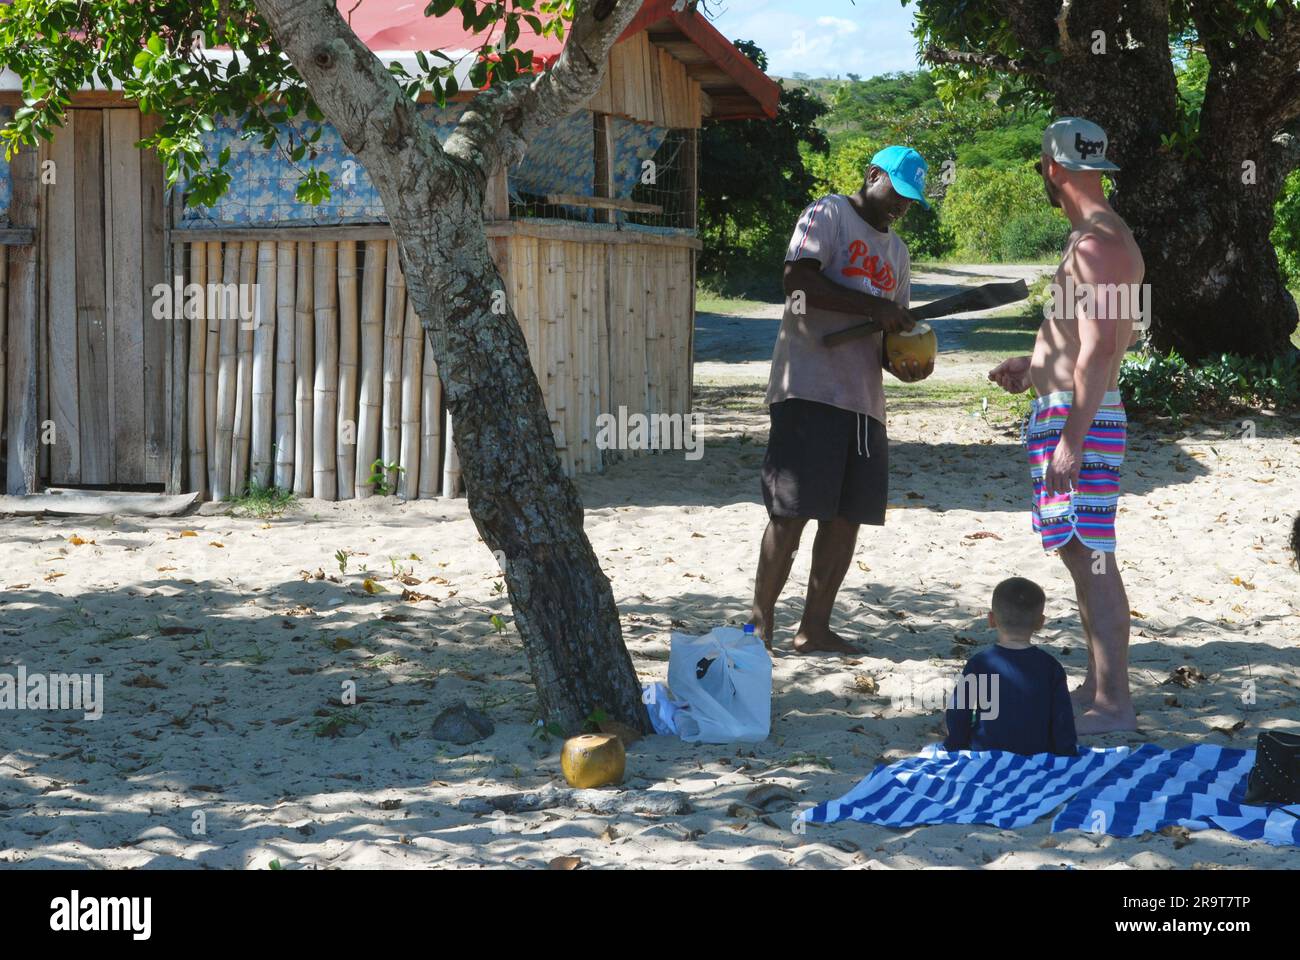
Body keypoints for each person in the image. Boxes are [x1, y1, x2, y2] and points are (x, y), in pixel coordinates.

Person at [988, 118, 1144, 734]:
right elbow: (1082, 340)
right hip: (1070, 409)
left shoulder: (1097, 243)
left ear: (1052, 169)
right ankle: (1100, 688)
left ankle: (1115, 705)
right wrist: (1034, 368)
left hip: (1084, 420)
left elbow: (1103, 349)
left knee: (1094, 560)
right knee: (1083, 558)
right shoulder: (1093, 238)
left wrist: (1072, 439)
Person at [750, 146, 934, 655]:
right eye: (896, 193)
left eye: (911, 201)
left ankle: (814, 627)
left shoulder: (896, 253)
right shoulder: (827, 213)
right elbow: (797, 285)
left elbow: (884, 333)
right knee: (790, 513)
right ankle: (759, 628)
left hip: (863, 402)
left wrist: (904, 359)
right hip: (809, 388)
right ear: (873, 175)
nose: (901, 207)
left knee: (846, 517)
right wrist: (874, 306)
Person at [944, 577, 1077, 757]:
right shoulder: (1050, 666)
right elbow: (1063, 719)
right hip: (1037, 752)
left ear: (991, 619)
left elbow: (959, 712)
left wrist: (955, 745)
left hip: (986, 751)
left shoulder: (979, 664)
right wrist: (1066, 753)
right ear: (1040, 622)